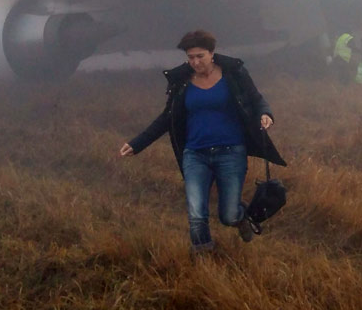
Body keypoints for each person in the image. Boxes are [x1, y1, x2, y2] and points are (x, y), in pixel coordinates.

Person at [119, 30, 286, 253]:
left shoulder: (233, 74)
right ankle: (204, 258)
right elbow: (166, 118)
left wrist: (266, 114)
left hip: (231, 152)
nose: (195, 62)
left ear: (212, 53)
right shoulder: (182, 83)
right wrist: (137, 143)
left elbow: (256, 99)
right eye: (190, 57)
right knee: (197, 214)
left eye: (200, 56)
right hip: (195, 154)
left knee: (227, 214)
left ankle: (240, 218)